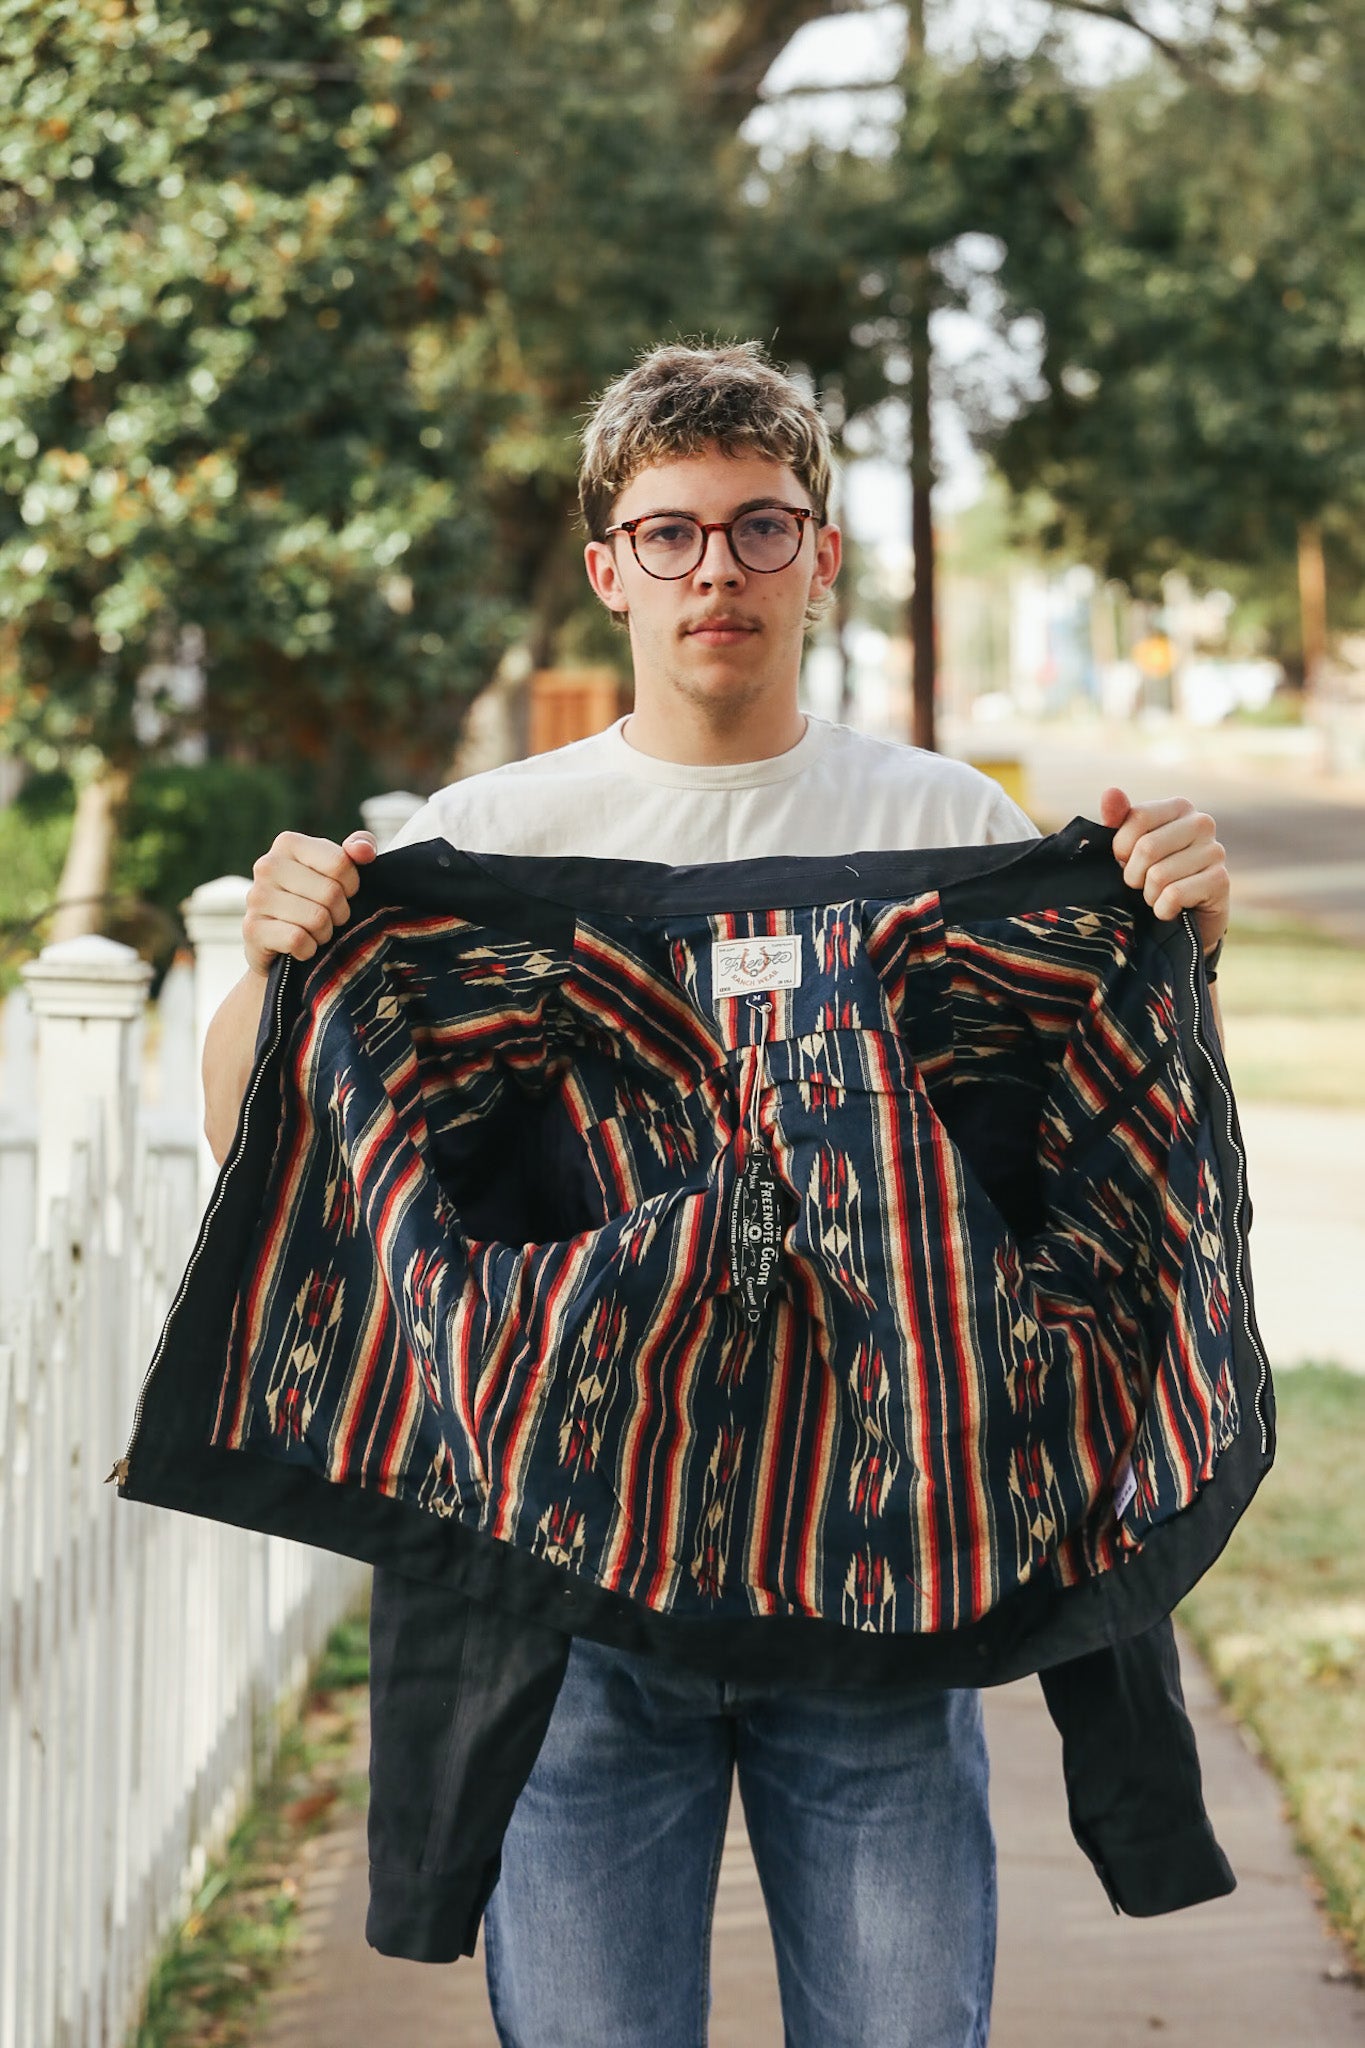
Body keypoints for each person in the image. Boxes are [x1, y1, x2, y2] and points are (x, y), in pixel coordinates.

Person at [202, 341, 1231, 2047]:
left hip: (882, 1568)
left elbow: (1085, 1158)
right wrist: (278, 964)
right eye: (669, 534)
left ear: (818, 556)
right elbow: (269, 1131)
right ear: (608, 567)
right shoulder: (489, 837)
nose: (716, 573)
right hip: (578, 1577)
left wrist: (1173, 946)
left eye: (759, 529)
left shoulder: (948, 828)